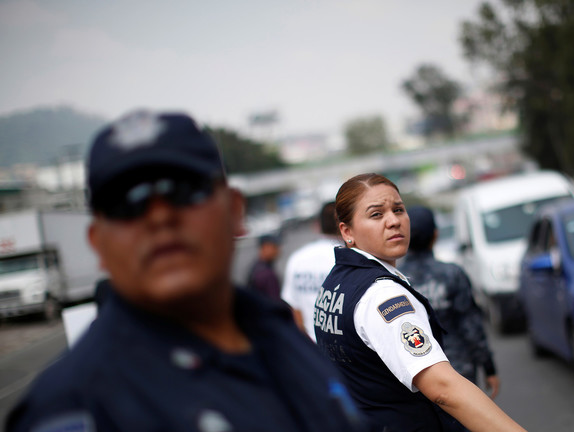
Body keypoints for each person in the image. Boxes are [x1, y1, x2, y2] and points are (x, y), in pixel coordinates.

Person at [6, 110, 365, 432]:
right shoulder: (76, 405)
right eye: (127, 204)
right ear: (97, 243)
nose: (160, 217)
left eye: (183, 191)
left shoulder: (278, 332)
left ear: (234, 211)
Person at [314, 173, 527, 432]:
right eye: (376, 214)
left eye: (398, 209)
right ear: (347, 232)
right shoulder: (383, 295)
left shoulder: (335, 283)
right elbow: (443, 389)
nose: (394, 221)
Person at [399, 205, 500, 405]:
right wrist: (489, 368)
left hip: (419, 378)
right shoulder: (452, 274)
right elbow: (471, 327)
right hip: (459, 371)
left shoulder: (396, 281)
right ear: (435, 235)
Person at [281, 201, 341, 341]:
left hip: (310, 343)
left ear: (318, 225)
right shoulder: (348, 258)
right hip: (341, 347)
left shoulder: (298, 258)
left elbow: (294, 309)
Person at [246, 233, 282, 300]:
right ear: (265, 247)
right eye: (275, 247)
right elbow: (274, 302)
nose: (278, 251)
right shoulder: (266, 274)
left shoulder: (256, 266)